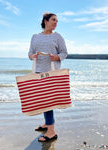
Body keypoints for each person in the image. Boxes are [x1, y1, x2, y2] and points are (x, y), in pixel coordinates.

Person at [28, 12, 68, 142]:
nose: (56, 23)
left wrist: (55, 57)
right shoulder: (35, 37)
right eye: (53, 20)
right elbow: (30, 53)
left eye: (57, 21)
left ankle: (51, 131)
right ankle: (47, 124)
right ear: (45, 21)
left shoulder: (58, 37)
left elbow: (64, 53)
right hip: (38, 72)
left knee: (49, 101)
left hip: (52, 73)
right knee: (43, 100)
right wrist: (32, 56)